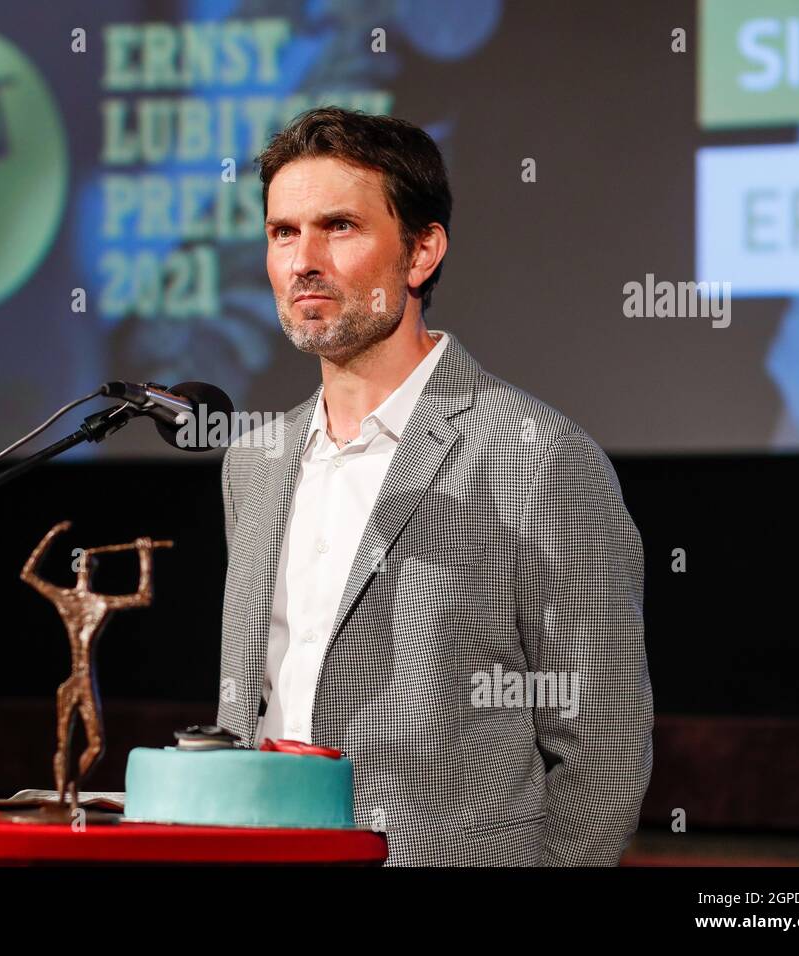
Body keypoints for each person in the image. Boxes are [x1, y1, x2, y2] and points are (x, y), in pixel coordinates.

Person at [215, 107, 653, 866]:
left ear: (421, 252)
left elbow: (604, 750)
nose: (303, 260)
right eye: (283, 232)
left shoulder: (537, 458)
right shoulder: (253, 461)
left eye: (339, 227)